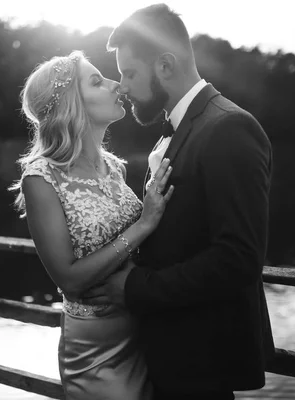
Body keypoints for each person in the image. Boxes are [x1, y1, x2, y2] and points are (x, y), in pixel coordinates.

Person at [82, 4, 276, 400]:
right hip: (166, 358)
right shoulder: (179, 128)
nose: (123, 86)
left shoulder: (229, 128)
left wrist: (136, 287)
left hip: (201, 364)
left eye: (130, 73)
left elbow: (238, 259)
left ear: (165, 66)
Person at [9, 50, 174, 400]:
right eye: (97, 81)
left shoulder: (115, 168)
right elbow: (68, 278)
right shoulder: (40, 178)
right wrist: (143, 225)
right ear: (72, 105)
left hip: (143, 325)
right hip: (97, 349)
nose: (116, 85)